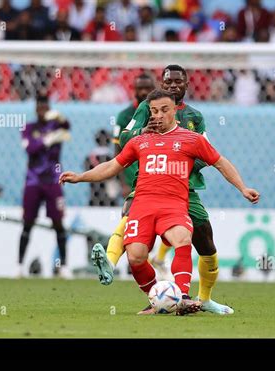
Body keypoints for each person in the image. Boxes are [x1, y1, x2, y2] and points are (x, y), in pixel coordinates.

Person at [59, 89, 260, 315]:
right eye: (154, 111)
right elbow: (112, 166)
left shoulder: (192, 139)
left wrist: (243, 187)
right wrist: (80, 176)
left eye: (164, 110)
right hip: (143, 205)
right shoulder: (139, 142)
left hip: (173, 205)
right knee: (135, 256)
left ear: (175, 109)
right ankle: (160, 300)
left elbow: (221, 163)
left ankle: (183, 298)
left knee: (182, 238)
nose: (158, 115)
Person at [93, 64, 244, 315]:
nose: (173, 86)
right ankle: (111, 262)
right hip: (149, 183)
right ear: (161, 85)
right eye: (168, 82)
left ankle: (204, 299)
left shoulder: (195, 117)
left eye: (178, 82)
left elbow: (208, 155)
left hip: (186, 188)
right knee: (130, 215)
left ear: (186, 84)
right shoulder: (146, 108)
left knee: (206, 242)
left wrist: (180, 156)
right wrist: (146, 133)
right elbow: (127, 141)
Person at [19, 94, 71, 278]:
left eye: (45, 107)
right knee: (28, 223)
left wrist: (61, 118)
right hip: (33, 181)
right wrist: (47, 140)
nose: (42, 110)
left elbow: (67, 128)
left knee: (58, 223)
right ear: (36, 109)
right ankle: (19, 266)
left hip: (54, 181)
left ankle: (64, 266)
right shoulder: (29, 128)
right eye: (40, 107)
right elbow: (29, 149)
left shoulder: (56, 125)